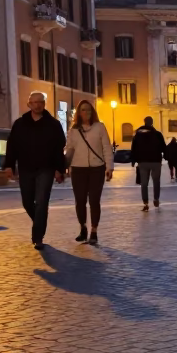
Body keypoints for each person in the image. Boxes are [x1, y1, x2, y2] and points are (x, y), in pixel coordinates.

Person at [5, 91, 67, 248]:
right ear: (29, 104)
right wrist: (9, 165)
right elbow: (12, 146)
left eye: (41, 102)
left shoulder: (53, 124)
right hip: (25, 168)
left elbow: (59, 148)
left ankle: (38, 236)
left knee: (41, 202)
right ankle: (40, 221)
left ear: (44, 104)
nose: (38, 105)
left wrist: (60, 169)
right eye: (34, 102)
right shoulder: (20, 124)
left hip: (46, 168)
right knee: (27, 202)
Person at [64, 99, 113, 245]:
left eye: (89, 110)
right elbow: (70, 149)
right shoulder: (73, 131)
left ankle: (94, 231)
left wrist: (109, 167)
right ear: (79, 113)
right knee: (80, 201)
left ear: (93, 113)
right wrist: (65, 166)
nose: (86, 113)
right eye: (83, 110)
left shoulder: (100, 127)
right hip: (78, 169)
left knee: (94, 201)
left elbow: (106, 147)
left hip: (97, 168)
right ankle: (83, 227)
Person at [130, 115, 166, 211]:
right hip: (156, 161)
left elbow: (133, 148)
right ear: (152, 122)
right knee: (156, 182)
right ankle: (156, 199)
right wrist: (165, 156)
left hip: (143, 161)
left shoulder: (138, 134)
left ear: (144, 122)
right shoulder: (158, 134)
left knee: (144, 183)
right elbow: (163, 147)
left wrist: (133, 160)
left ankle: (145, 203)